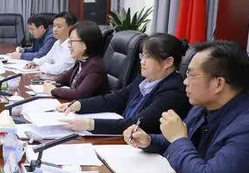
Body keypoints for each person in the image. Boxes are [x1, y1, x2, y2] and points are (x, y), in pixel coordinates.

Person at [124, 41, 249, 173]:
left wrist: (177, 139)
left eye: (191, 75)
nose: (184, 81)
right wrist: (150, 140)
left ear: (218, 83)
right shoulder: (203, 107)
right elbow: (184, 143)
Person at [60, 33, 190, 134]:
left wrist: (90, 124)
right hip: (124, 137)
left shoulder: (173, 91)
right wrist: (80, 104)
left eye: (148, 57)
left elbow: (138, 123)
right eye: (142, 56)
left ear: (168, 62)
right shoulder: (145, 78)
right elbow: (118, 98)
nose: (142, 61)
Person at [45, 21, 108, 99]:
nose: (69, 46)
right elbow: (65, 77)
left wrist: (53, 90)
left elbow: (79, 94)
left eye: (72, 41)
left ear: (85, 44)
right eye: (69, 42)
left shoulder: (95, 67)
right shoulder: (82, 60)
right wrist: (52, 82)